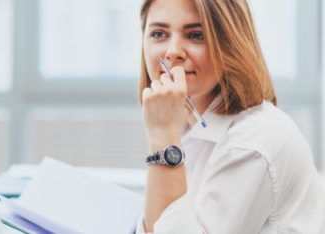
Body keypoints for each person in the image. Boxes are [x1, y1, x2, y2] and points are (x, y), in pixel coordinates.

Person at [136, 0, 325, 233]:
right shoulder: (187, 125)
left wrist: (163, 136)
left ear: (229, 44)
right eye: (158, 33)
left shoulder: (251, 142)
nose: (173, 52)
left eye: (195, 35)